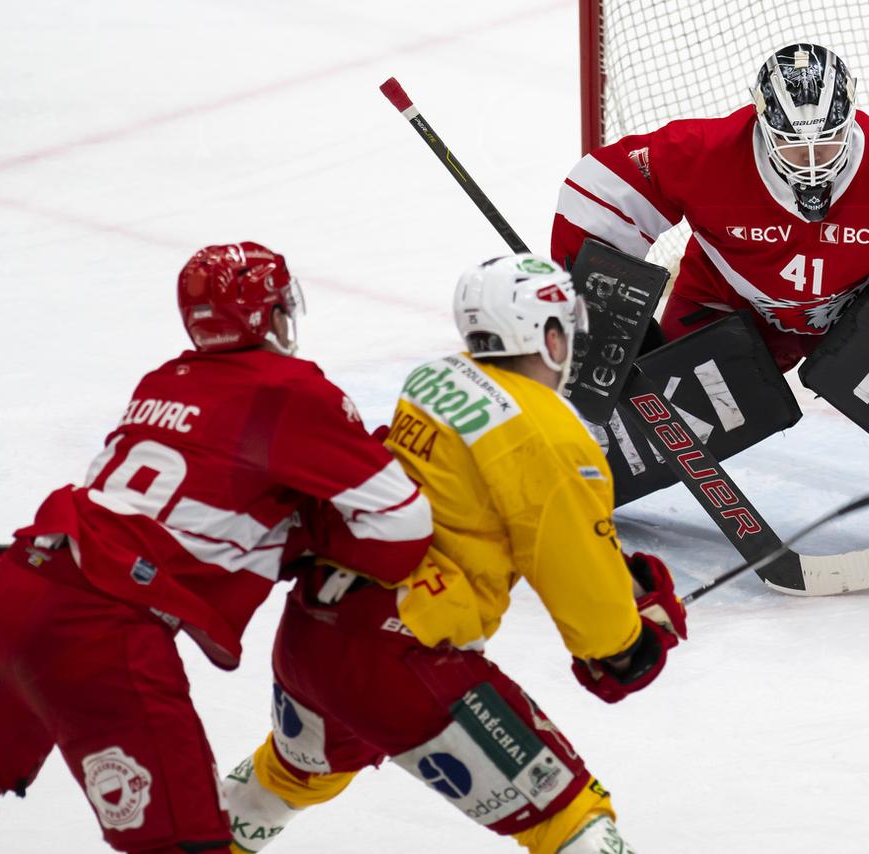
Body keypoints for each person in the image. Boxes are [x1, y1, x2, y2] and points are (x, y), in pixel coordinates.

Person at [0, 242, 432, 853]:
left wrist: (266, 540)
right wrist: (316, 546)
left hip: (16, 588)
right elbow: (403, 530)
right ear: (267, 317)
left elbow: (191, 504)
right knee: (185, 844)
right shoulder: (292, 392)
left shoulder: (163, 380)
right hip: (99, 632)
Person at [221, 254, 688, 854]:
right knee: (569, 818)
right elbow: (586, 600)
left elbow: (470, 502)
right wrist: (629, 644)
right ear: (546, 335)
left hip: (313, 631)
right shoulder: (553, 434)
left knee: (292, 776)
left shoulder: (435, 379)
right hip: (400, 654)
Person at [550, 42, 869, 375]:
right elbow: (596, 189)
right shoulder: (705, 154)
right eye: (790, 144)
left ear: (849, 120)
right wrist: (604, 309)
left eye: (825, 144)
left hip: (864, 314)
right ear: (761, 122)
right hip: (730, 307)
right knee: (662, 393)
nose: (810, 164)